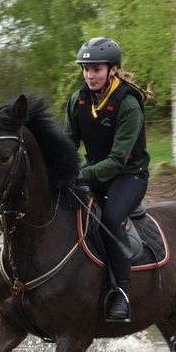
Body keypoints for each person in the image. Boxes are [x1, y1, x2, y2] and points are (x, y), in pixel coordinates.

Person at [63, 37, 150, 322]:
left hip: (128, 176)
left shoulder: (128, 104)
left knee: (110, 219)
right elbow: (67, 146)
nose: (89, 75)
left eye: (96, 69)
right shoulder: (77, 101)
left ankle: (121, 293)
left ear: (113, 69)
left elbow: (117, 160)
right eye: (86, 69)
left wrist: (80, 174)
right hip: (94, 173)